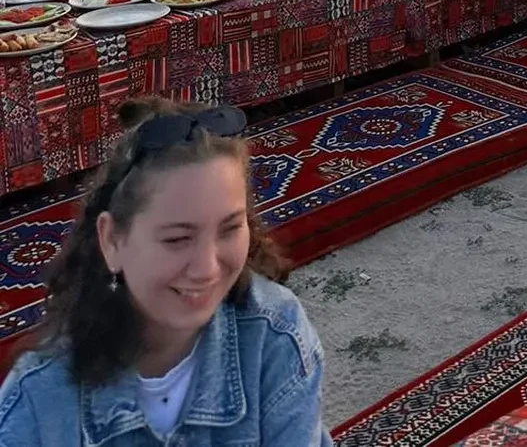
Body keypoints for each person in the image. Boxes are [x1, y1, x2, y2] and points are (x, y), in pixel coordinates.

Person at [0, 95, 330, 447]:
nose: (207, 269)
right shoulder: (39, 400)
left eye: (229, 229)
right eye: (177, 239)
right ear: (112, 240)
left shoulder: (276, 336)